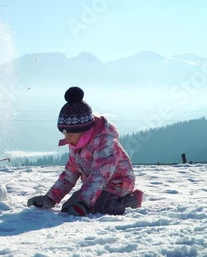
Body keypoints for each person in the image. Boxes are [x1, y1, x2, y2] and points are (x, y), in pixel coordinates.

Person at [27, 86, 143, 216]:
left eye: (70, 135)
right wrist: (50, 198)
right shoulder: (75, 143)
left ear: (84, 130)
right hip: (94, 184)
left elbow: (99, 176)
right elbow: (70, 174)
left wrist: (84, 203)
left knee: (101, 208)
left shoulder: (105, 143)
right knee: (68, 208)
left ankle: (132, 199)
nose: (66, 139)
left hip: (118, 183)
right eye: (64, 134)